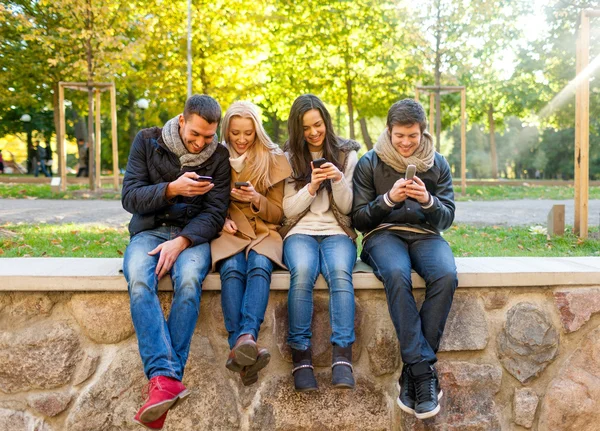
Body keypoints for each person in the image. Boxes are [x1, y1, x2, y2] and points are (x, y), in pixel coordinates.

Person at [121, 94, 230, 430]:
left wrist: (182, 242)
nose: (200, 143)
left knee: (188, 281)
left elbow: (215, 213)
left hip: (193, 237)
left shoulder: (219, 157)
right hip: (149, 232)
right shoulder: (147, 141)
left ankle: (161, 385)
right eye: (195, 134)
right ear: (182, 121)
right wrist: (171, 189)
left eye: (208, 137)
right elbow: (130, 197)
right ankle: (167, 379)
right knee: (140, 280)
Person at [352, 99, 457, 420]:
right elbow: (359, 219)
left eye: (412, 135)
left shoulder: (437, 163)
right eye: (399, 135)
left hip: (426, 235)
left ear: (422, 133)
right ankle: (423, 374)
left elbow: (447, 218)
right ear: (389, 131)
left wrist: (427, 200)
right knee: (396, 273)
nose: (406, 142)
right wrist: (387, 200)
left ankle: (413, 372)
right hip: (383, 235)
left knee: (446, 275)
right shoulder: (369, 163)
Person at [281, 94, 360, 392]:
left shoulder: (347, 154)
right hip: (299, 231)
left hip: (337, 232)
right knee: (301, 272)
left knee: (340, 273)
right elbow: (288, 210)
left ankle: (342, 357)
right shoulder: (287, 157)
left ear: (326, 121)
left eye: (318, 125)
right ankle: (301, 357)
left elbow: (348, 207)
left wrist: (338, 179)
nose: (313, 132)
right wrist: (312, 186)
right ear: (296, 129)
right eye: (306, 128)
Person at [210, 101, 291, 386]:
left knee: (258, 264)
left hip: (263, 230)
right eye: (235, 133)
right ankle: (245, 347)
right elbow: (204, 200)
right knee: (231, 267)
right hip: (229, 230)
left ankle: (243, 341)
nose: (242, 140)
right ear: (226, 131)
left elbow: (279, 213)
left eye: (248, 133)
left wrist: (256, 199)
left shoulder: (273, 158)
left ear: (257, 131)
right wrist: (220, 218)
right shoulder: (215, 156)